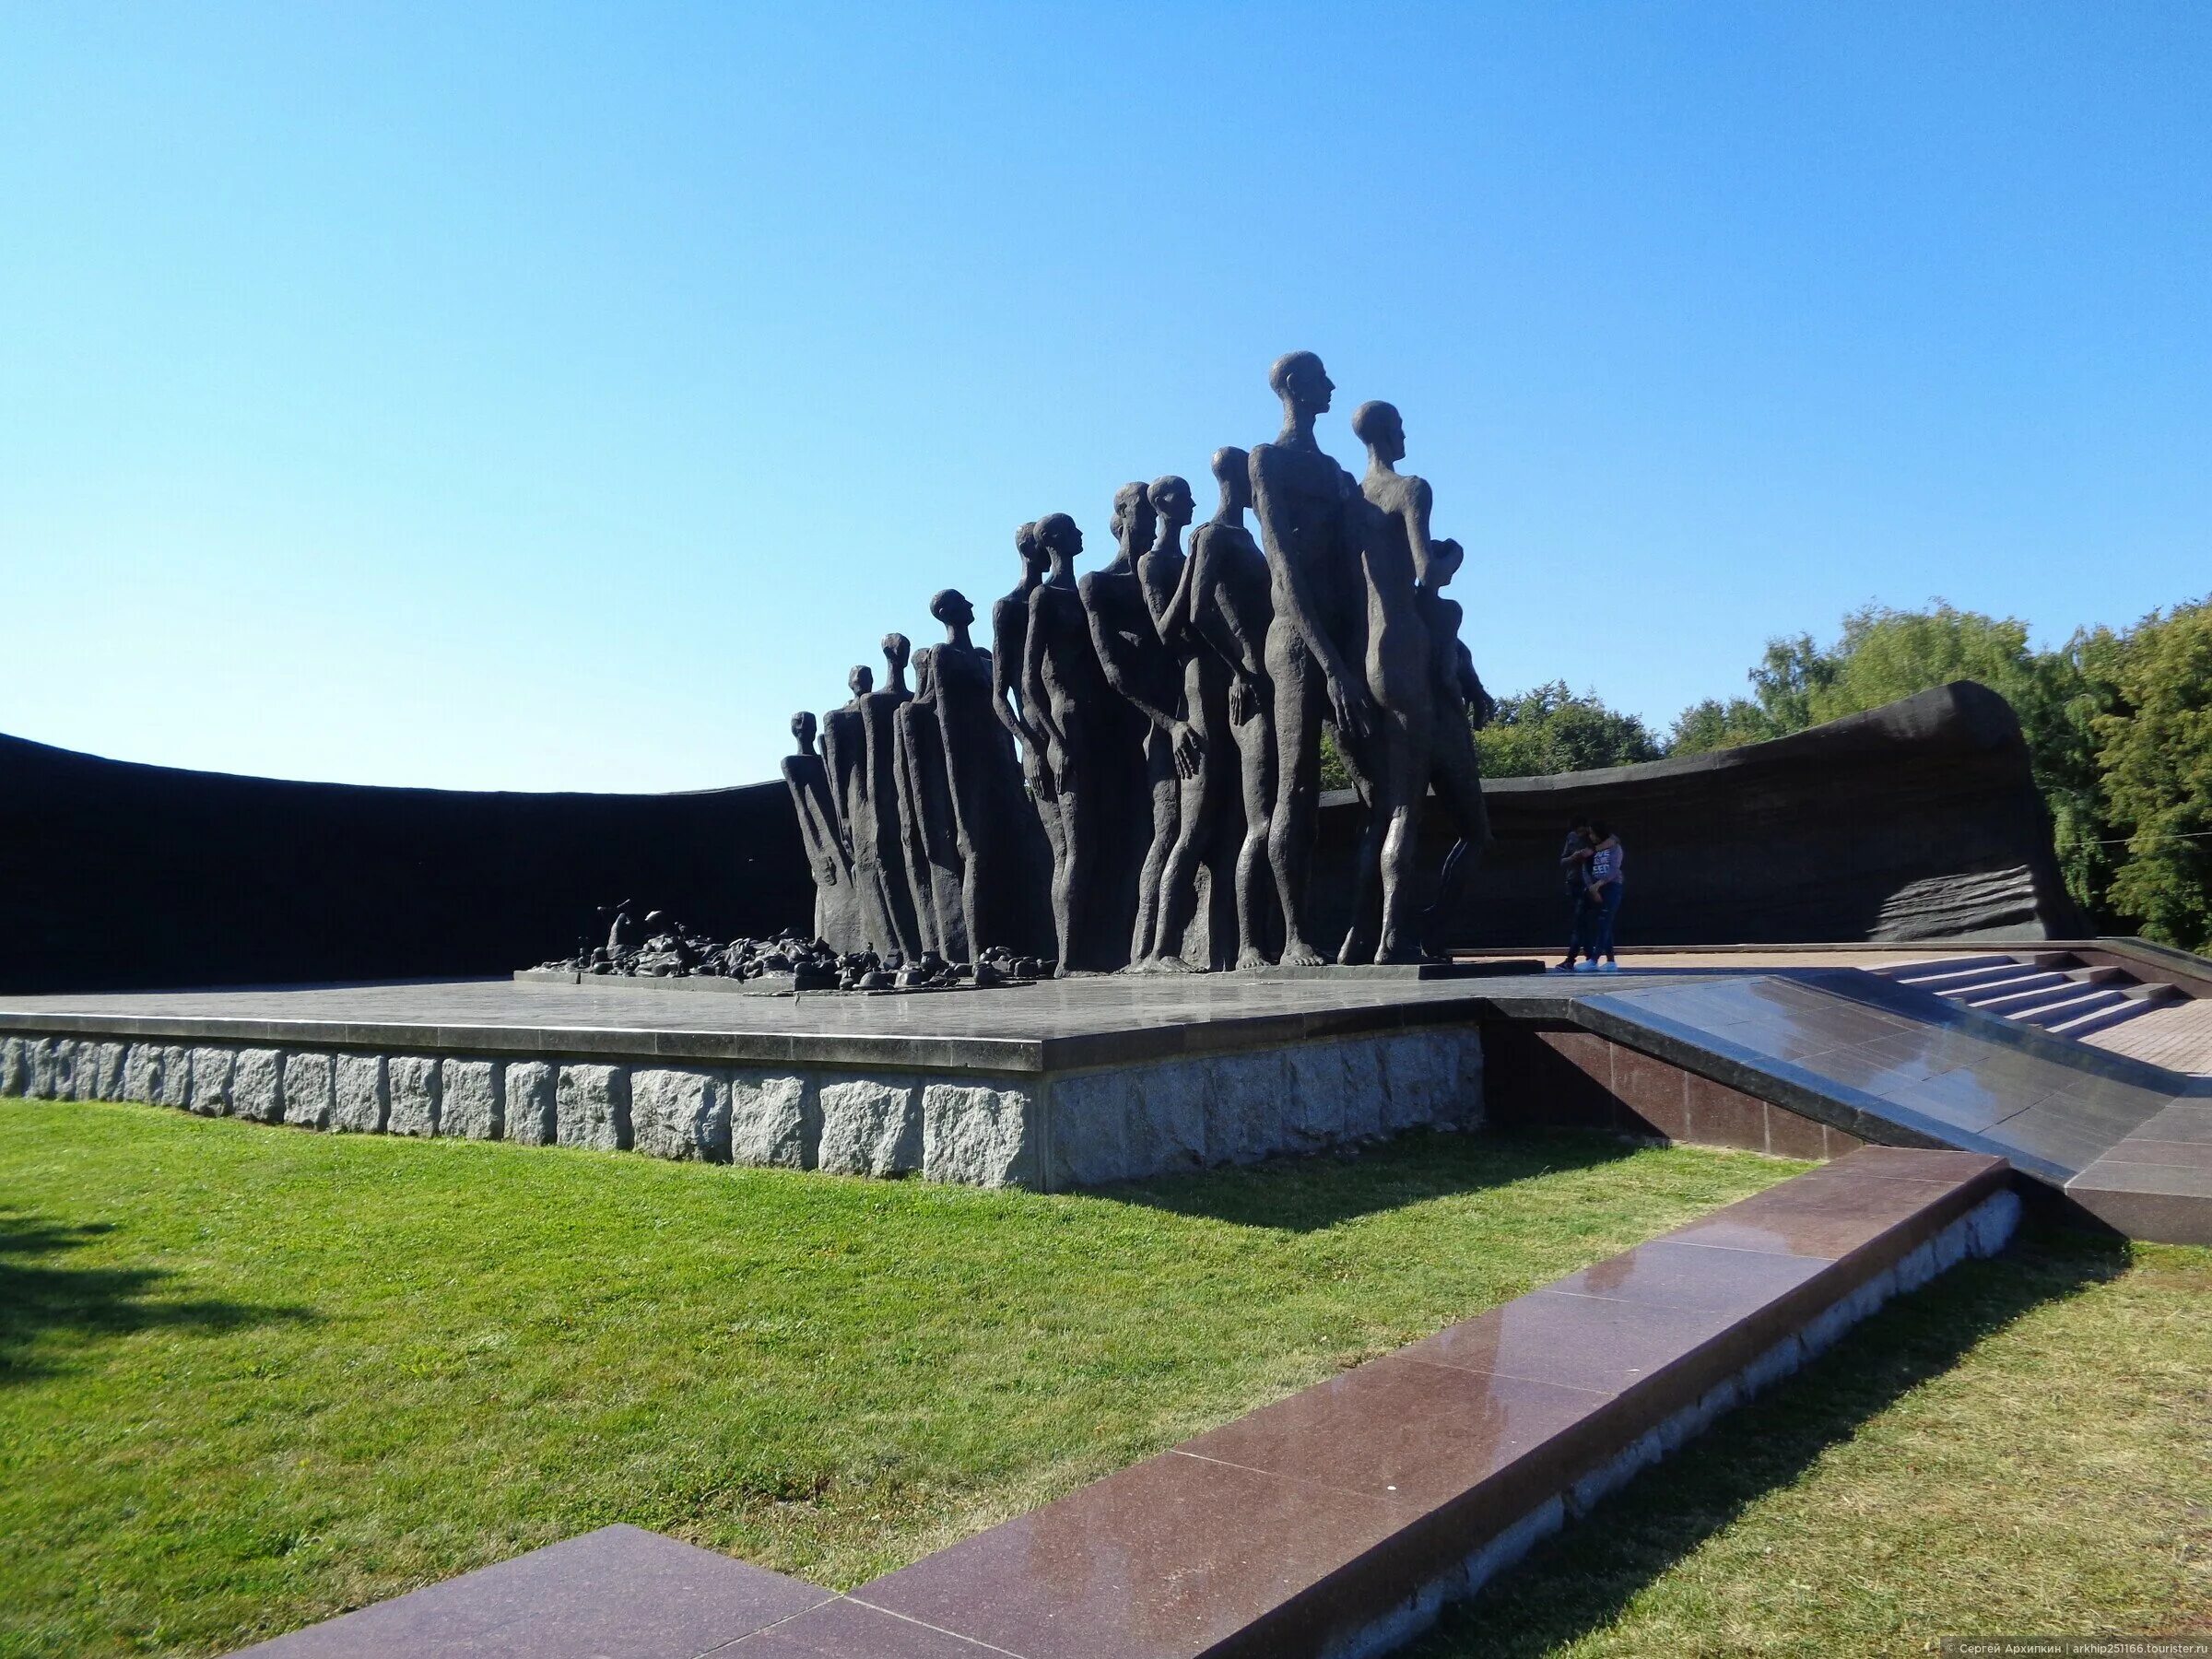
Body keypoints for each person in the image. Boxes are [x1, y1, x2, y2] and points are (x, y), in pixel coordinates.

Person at [1580, 820, 1625, 972]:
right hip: (1595, 889)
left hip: (1611, 887)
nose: (1591, 836)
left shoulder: (1615, 848)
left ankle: (1594, 960)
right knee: (1604, 924)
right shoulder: (1592, 850)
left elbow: (1613, 869)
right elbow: (1586, 869)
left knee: (1605, 922)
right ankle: (1611, 961)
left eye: (1593, 833)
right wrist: (1591, 888)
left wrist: (1598, 885)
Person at [1554, 818, 1595, 971]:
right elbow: (1562, 861)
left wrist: (1591, 853)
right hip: (1574, 883)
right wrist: (1573, 857)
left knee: (1580, 923)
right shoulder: (1571, 838)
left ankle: (1573, 958)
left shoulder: (1593, 838)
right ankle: (1590, 957)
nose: (1580, 834)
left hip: (1589, 884)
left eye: (1582, 832)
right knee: (1581, 923)